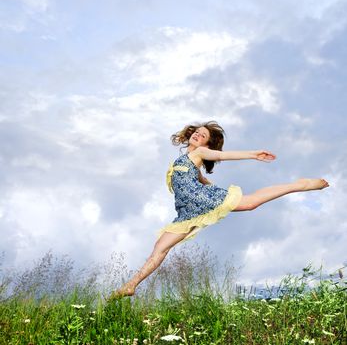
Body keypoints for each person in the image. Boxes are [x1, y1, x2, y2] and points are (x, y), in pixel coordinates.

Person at [110, 121, 329, 298]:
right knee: (160, 248)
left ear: (207, 144)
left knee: (250, 203)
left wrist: (253, 154)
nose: (198, 135)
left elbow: (221, 156)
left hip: (201, 201)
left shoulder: (200, 153)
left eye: (203, 135)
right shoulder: (185, 159)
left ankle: (298, 185)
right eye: (196, 132)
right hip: (187, 212)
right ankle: (130, 286)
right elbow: (201, 179)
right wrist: (214, 189)